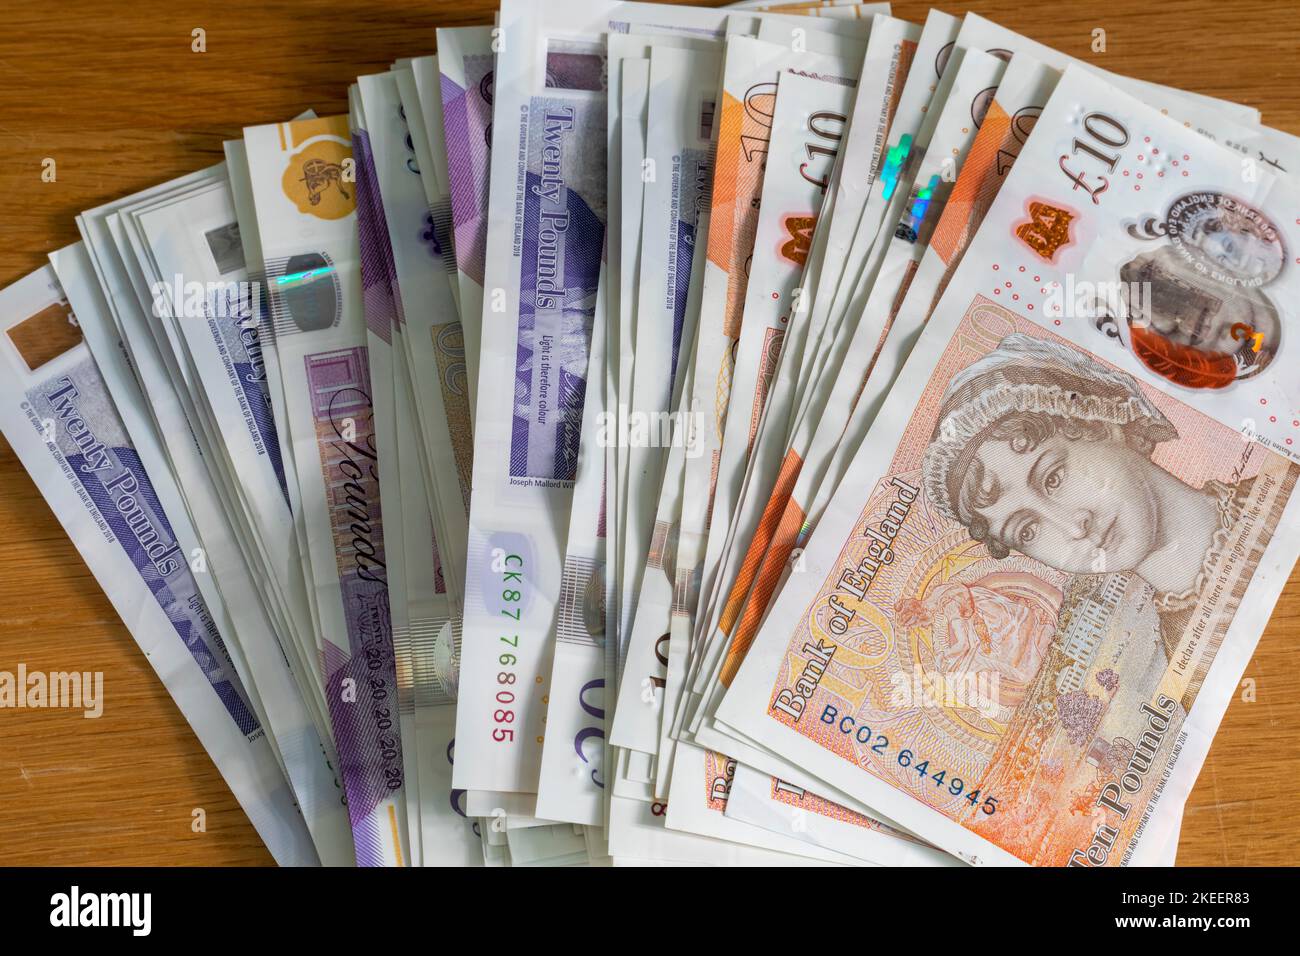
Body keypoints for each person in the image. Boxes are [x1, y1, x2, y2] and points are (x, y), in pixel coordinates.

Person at [922, 333, 1251, 673]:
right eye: (1028, 530)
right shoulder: (1191, 665)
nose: (1072, 526)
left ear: (1102, 424)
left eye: (1053, 478)